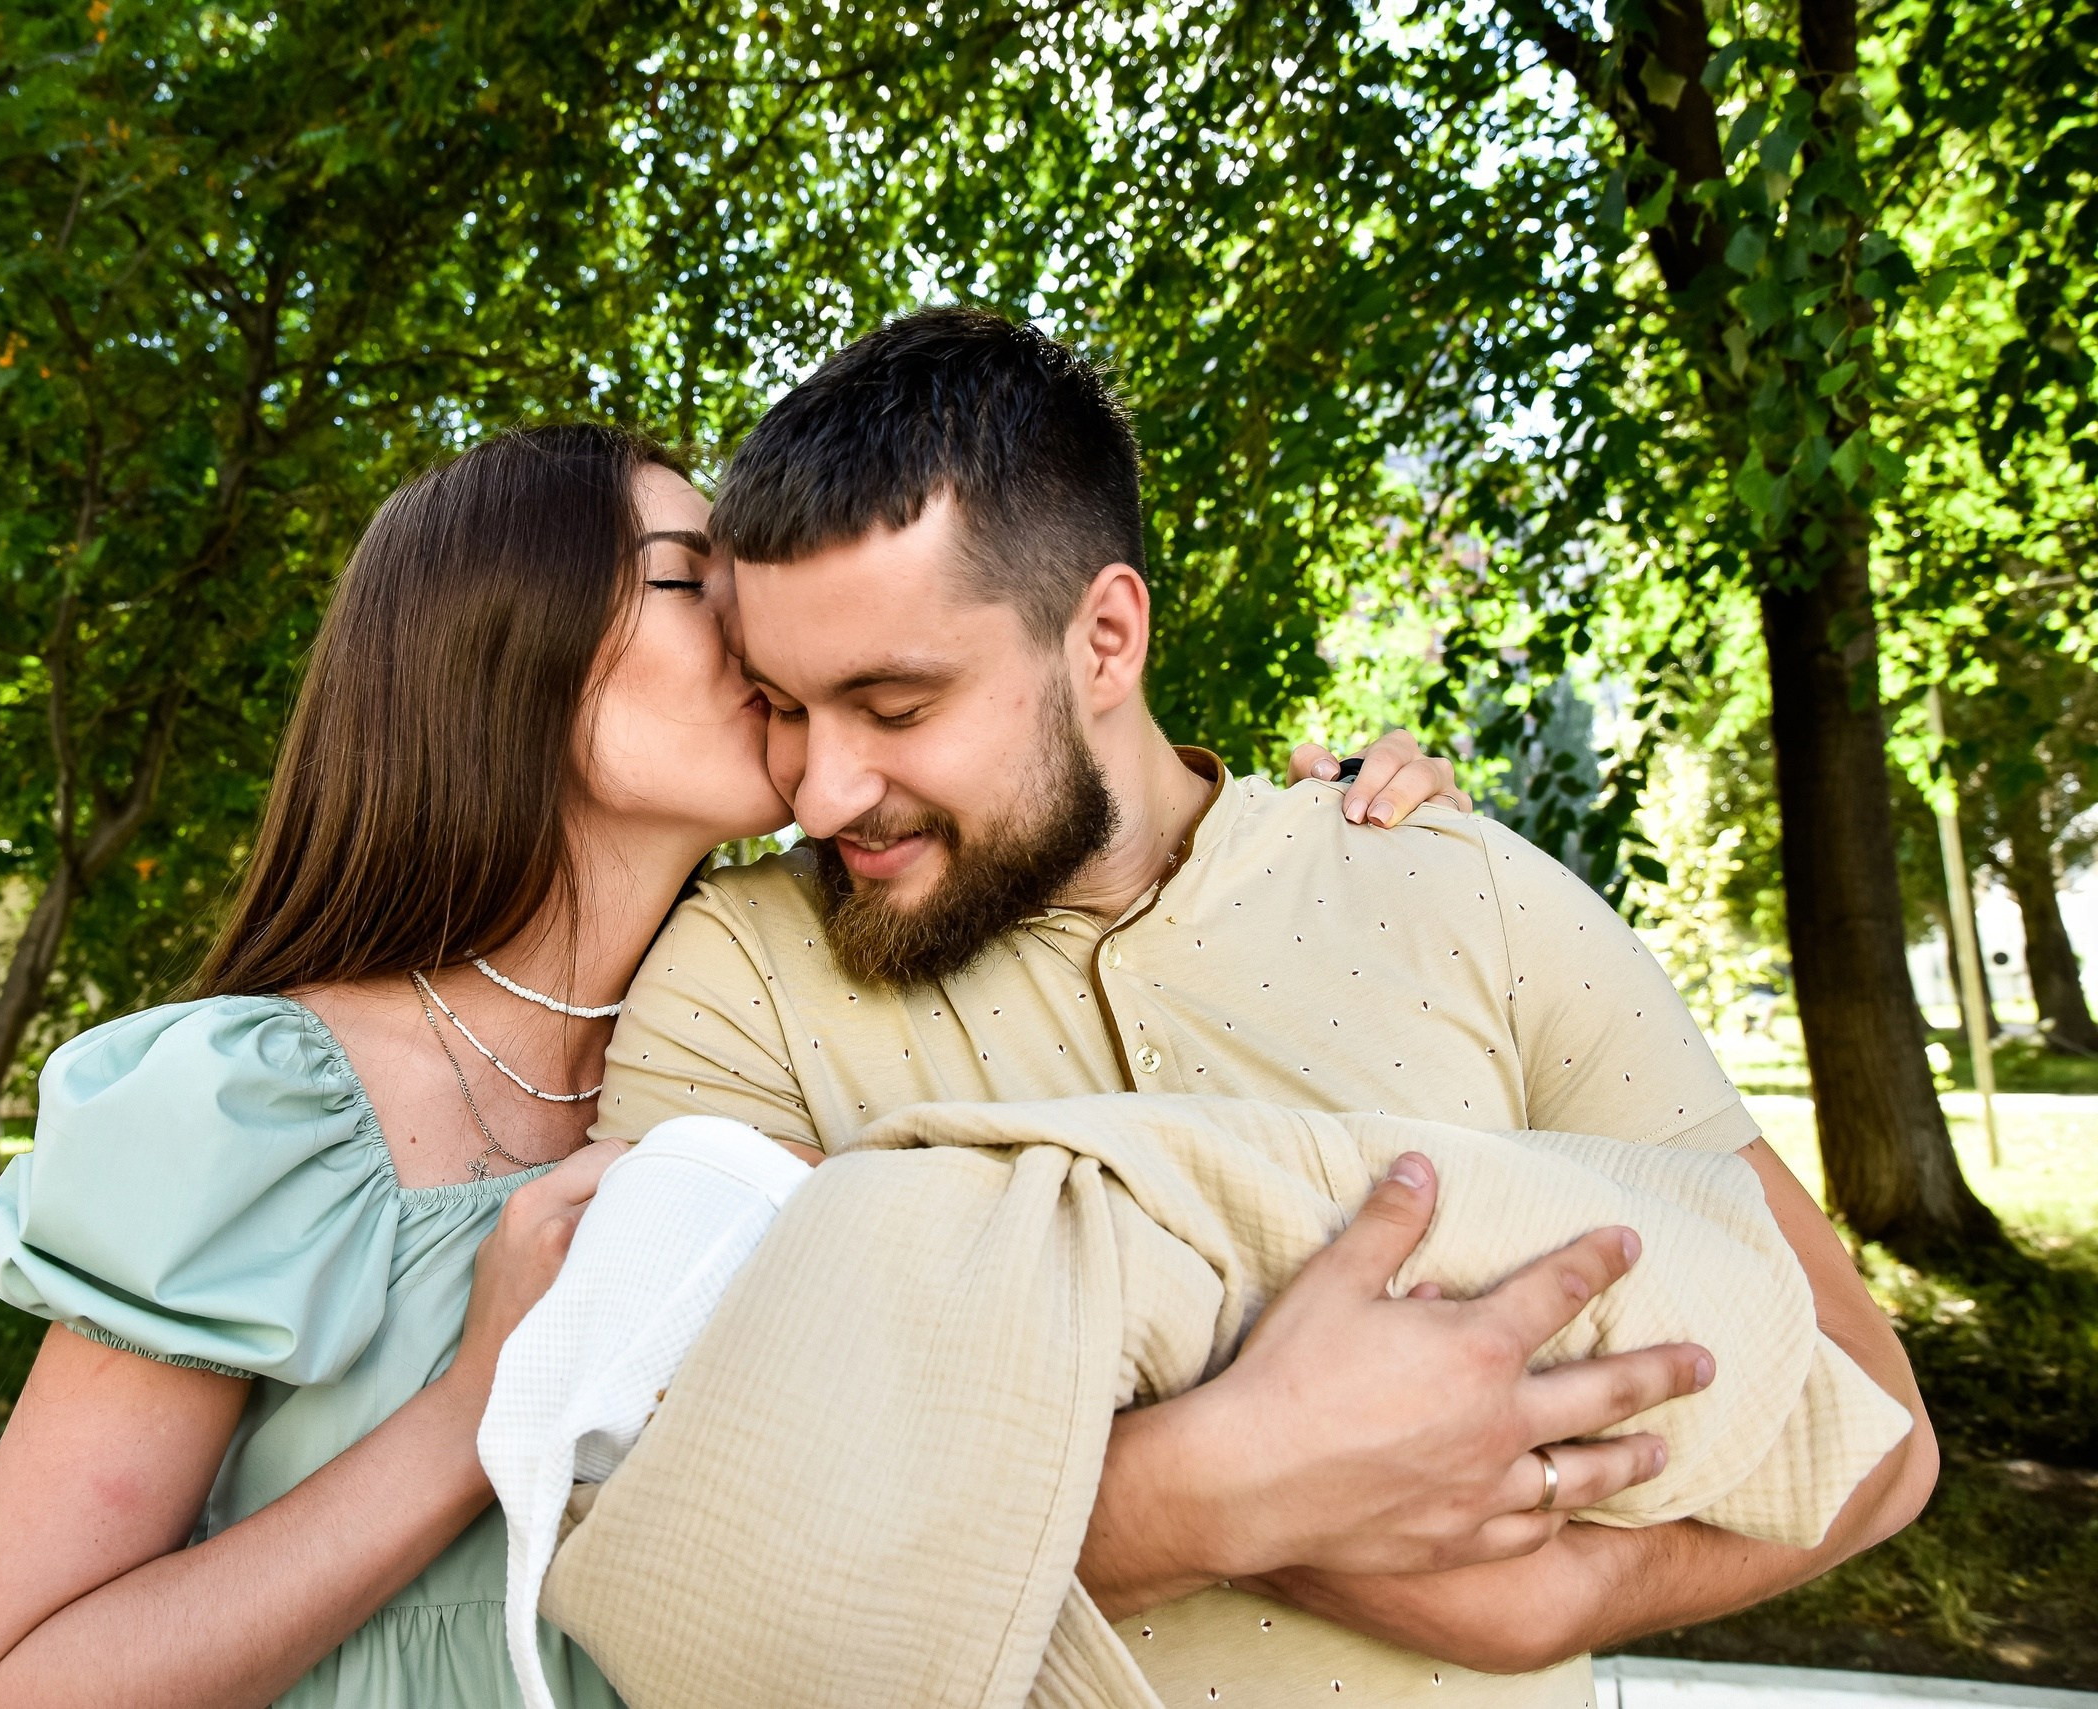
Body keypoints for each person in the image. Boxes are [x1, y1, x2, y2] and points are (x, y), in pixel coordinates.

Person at [0, 421, 1472, 1709]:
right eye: (692, 577)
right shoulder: (252, 1103)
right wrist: (478, 1409)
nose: (761, 626)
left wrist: (1314, 830)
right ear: (504, 638)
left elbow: (1092, 843)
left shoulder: (803, 1017)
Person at [591, 309, 1939, 1707]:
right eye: (782, 706)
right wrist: (1214, 1492)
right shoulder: (731, 984)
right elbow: (673, 1558)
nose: (817, 793)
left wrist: (1560, 1601)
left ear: (1104, 637)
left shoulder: (1459, 890)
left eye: (894, 703)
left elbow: (1883, 1424)